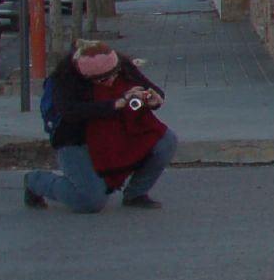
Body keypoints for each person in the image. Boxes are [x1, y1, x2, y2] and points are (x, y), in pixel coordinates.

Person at [23, 42, 179, 212]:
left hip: (118, 132)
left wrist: (154, 99)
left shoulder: (120, 65)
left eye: (115, 74)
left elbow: (151, 90)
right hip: (77, 140)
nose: (112, 80)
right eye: (103, 79)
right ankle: (35, 181)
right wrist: (115, 104)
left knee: (166, 141)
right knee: (89, 201)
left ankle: (136, 194)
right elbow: (69, 112)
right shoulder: (65, 78)